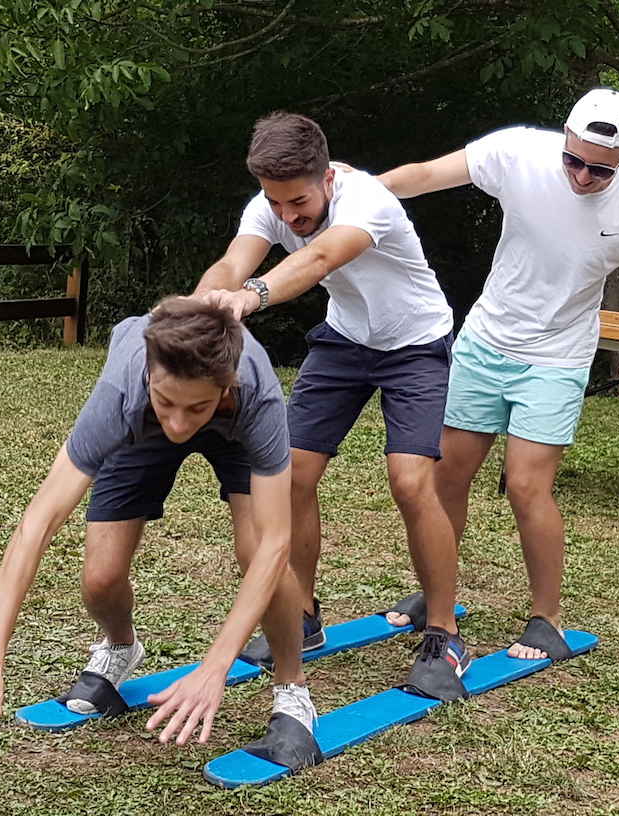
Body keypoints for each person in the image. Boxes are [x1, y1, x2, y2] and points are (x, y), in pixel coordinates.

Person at [0, 298, 322, 770]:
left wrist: (214, 667)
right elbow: (39, 521)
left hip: (236, 430)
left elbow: (277, 543)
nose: (179, 423)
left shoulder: (257, 394)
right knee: (100, 577)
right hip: (138, 428)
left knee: (257, 550)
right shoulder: (121, 392)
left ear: (226, 384)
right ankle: (120, 647)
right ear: (149, 375)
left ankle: (292, 688)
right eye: (167, 402)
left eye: (194, 407)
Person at [378, 88, 619, 661]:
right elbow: (423, 175)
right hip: (485, 340)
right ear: (564, 140)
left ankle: (546, 618)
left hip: (558, 356)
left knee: (526, 484)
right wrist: (352, 191)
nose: (581, 176)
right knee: (447, 476)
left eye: (599, 169)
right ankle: (433, 593)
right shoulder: (520, 153)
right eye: (573, 160)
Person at [194, 111, 468, 701]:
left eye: (299, 202)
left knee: (411, 481)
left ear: (327, 177)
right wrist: (202, 305)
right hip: (345, 341)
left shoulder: (365, 198)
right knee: (289, 473)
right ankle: (303, 614)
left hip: (415, 344)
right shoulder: (270, 204)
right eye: (277, 202)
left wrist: (251, 296)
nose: (288, 216)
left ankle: (444, 633)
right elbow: (231, 263)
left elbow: (318, 260)